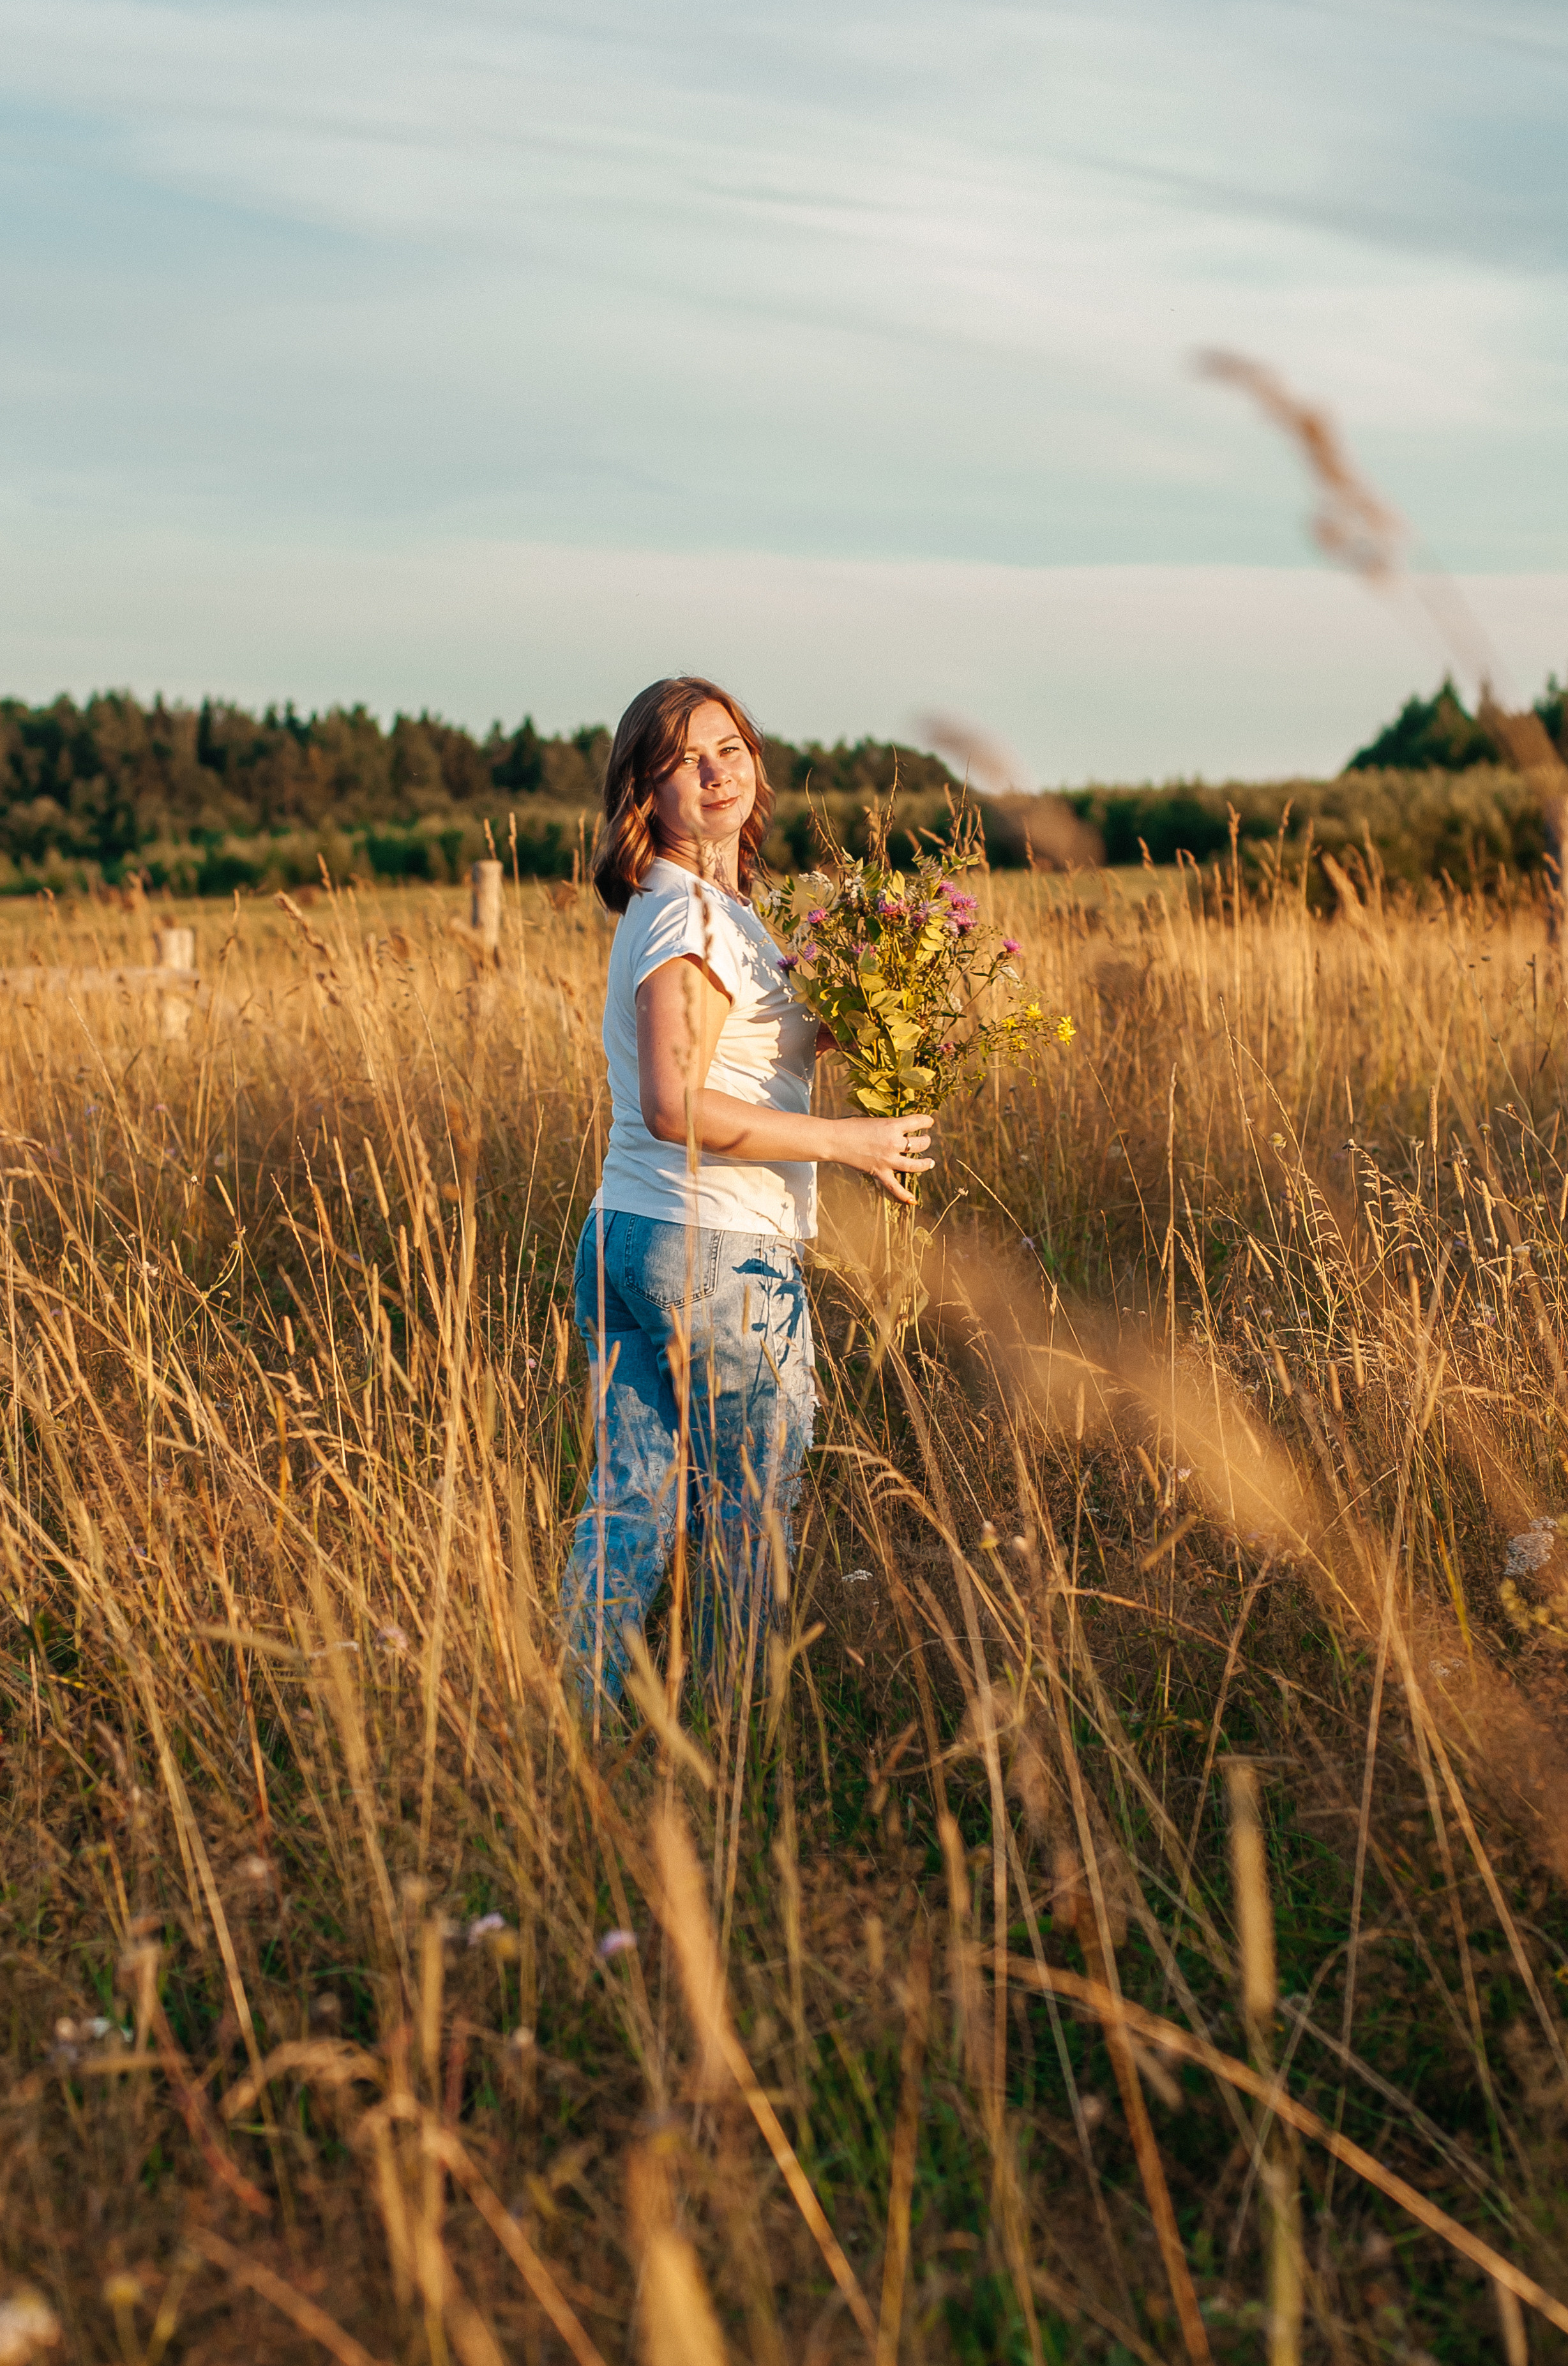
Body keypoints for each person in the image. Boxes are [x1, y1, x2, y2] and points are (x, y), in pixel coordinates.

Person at [558, 675, 934, 1724]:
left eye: (729, 748)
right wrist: (848, 1141)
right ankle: (734, 1749)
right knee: (749, 1513)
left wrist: (861, 1017)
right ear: (647, 793)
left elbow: (739, 1057)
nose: (716, 771)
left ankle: (572, 1733)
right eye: (685, 760)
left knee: (632, 1503)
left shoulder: (709, 910)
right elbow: (676, 1102)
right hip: (713, 1250)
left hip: (633, 1234)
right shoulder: (688, 915)